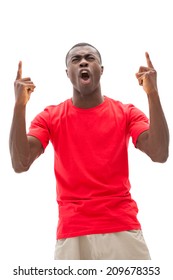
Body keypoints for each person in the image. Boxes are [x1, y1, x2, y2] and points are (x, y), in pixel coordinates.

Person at [9, 42, 169, 260]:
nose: (83, 61)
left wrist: (153, 94)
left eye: (90, 58)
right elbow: (20, 163)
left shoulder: (126, 113)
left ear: (101, 70)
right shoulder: (50, 117)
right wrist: (19, 106)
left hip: (122, 227)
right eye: (75, 60)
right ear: (68, 74)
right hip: (72, 233)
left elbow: (159, 153)